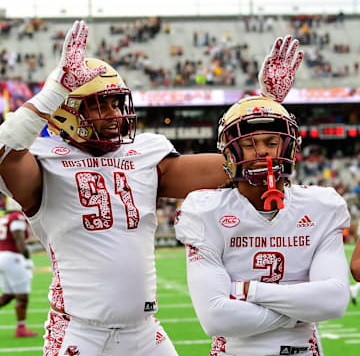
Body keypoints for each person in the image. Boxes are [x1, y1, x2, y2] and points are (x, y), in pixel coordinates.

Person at [0, 19, 301, 355]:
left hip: (144, 333)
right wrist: (57, 88)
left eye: (116, 103)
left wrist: (266, 107)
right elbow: (4, 152)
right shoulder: (44, 160)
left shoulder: (145, 154)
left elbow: (241, 167)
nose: (115, 114)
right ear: (66, 110)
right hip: (79, 331)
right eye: (101, 105)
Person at [175, 95, 350, 355]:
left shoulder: (320, 206)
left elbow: (334, 301)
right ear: (231, 152)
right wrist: (300, 309)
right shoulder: (206, 211)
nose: (263, 152)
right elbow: (215, 318)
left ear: (289, 147)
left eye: (271, 142)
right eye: (249, 144)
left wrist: (248, 291)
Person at [0, 197, 39, 337]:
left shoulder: (5, 217)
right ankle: (21, 329)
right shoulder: (16, 216)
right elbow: (18, 238)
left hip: (2, 256)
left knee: (8, 294)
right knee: (22, 295)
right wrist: (27, 257)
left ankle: (21, 328)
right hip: (13, 257)